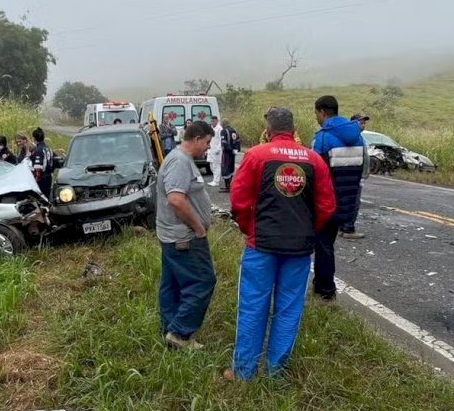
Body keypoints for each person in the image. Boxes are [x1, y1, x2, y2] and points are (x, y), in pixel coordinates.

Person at [225, 107, 335, 380]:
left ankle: (243, 373)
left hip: (261, 245)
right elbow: (326, 206)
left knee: (253, 307)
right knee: (289, 309)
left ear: (269, 130)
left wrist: (249, 229)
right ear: (293, 129)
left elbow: (239, 201)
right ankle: (276, 372)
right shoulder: (314, 160)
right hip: (299, 249)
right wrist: (307, 231)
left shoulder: (256, 155)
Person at [156, 120, 216, 350]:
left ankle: (169, 328)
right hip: (184, 237)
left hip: (174, 235)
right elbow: (176, 199)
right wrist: (198, 228)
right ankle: (180, 334)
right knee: (202, 281)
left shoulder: (180, 159)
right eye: (208, 142)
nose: (208, 147)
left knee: (171, 283)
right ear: (198, 138)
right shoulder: (180, 162)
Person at [311, 95, 366, 302]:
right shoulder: (358, 137)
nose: (316, 117)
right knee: (327, 244)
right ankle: (322, 285)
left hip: (326, 203)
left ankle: (325, 290)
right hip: (347, 201)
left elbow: (315, 172)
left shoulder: (323, 137)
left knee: (323, 246)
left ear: (323, 112)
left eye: (316, 113)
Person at [341, 113, 372, 235]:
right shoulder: (354, 139)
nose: (363, 125)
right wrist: (363, 175)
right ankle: (348, 228)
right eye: (361, 122)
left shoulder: (357, 138)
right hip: (354, 175)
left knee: (347, 200)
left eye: (364, 123)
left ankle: (343, 226)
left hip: (351, 174)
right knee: (354, 202)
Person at [30, 127, 58, 197]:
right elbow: (56, 160)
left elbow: (38, 168)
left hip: (41, 179)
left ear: (34, 138)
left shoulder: (38, 150)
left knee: (40, 198)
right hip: (49, 177)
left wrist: (35, 180)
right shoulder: (48, 148)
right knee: (47, 197)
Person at [219, 119, 241, 192]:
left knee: (225, 168)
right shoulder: (234, 130)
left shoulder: (223, 131)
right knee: (231, 167)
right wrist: (237, 149)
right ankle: (231, 185)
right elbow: (238, 140)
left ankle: (228, 186)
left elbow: (224, 142)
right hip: (233, 153)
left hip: (226, 152)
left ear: (223, 124)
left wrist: (229, 149)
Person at [207, 115, 223, 186]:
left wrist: (218, 149)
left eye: (214, 121)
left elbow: (221, 139)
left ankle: (216, 181)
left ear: (217, 121)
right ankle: (214, 179)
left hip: (216, 150)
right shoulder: (211, 128)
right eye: (212, 121)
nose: (212, 122)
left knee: (216, 165)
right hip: (210, 149)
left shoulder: (220, 129)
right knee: (211, 165)